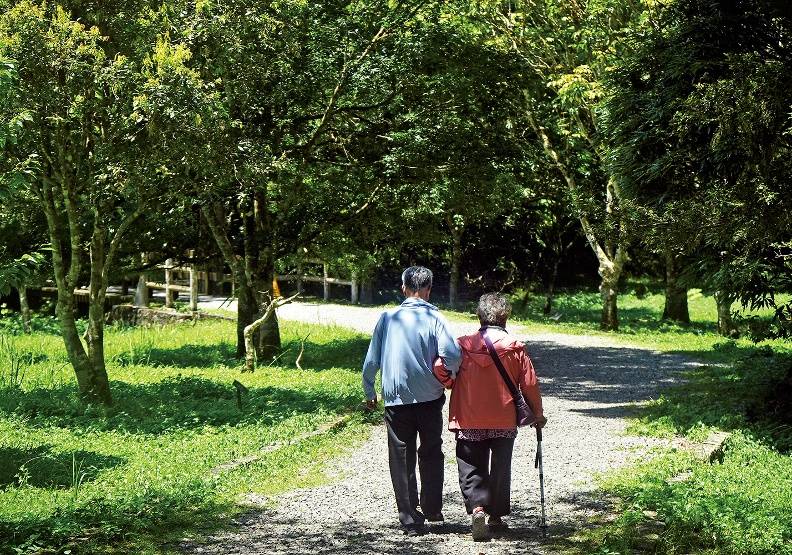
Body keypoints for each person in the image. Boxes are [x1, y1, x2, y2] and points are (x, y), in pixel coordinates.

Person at [435, 292, 546, 541]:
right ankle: (495, 517)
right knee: (500, 467)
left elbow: (440, 367)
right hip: (503, 419)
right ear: (505, 318)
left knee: (470, 464)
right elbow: (529, 384)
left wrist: (449, 382)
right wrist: (537, 415)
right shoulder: (516, 348)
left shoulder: (462, 346)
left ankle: (477, 509)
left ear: (480, 316)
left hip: (468, 417)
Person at [362, 266, 463, 537]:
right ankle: (432, 507)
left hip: (396, 400)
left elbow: (372, 359)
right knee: (431, 449)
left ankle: (410, 520)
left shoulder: (388, 317)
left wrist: (369, 389)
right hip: (430, 397)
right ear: (428, 290)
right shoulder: (436, 317)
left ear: (404, 288)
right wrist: (447, 377)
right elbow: (452, 355)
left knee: (401, 457)